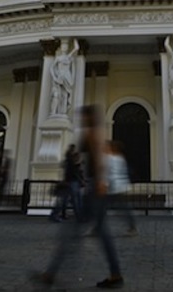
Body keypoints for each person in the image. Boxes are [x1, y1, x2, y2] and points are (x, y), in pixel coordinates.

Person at [35, 105, 124, 289]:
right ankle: (115, 274)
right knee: (101, 232)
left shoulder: (92, 133)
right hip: (96, 187)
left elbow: (99, 159)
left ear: (88, 118)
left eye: (83, 117)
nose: (81, 120)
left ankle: (51, 273)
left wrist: (99, 182)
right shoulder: (96, 132)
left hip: (95, 189)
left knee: (72, 231)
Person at [104, 141, 137, 235]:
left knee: (102, 207)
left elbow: (109, 173)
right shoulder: (120, 158)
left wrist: (105, 184)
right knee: (124, 208)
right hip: (119, 187)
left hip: (113, 187)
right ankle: (132, 226)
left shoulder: (110, 159)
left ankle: (132, 227)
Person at [49, 144, 84, 222]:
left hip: (70, 182)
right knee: (74, 200)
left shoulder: (69, 161)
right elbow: (74, 172)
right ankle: (78, 216)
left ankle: (56, 214)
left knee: (68, 200)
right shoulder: (71, 162)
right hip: (72, 182)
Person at [50, 39, 79, 116]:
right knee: (56, 95)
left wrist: (75, 41)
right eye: (63, 47)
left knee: (65, 95)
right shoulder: (58, 58)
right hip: (60, 76)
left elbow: (76, 48)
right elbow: (51, 67)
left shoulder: (69, 57)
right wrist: (54, 77)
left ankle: (63, 112)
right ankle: (54, 112)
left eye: (66, 47)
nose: (64, 48)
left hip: (67, 76)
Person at [0, 150, 12, 214]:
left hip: (3, 179)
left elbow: (5, 169)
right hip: (0, 179)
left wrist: (1, 169)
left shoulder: (7, 161)